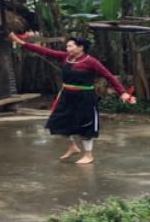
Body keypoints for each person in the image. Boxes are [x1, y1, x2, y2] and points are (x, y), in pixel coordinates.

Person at [9, 32, 137, 164]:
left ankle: (88, 155)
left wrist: (123, 93)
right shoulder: (66, 57)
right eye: (67, 46)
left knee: (86, 126)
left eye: (70, 46)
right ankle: (72, 147)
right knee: (58, 122)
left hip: (85, 97)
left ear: (80, 47)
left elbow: (109, 76)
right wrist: (22, 42)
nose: (67, 49)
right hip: (67, 95)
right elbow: (45, 51)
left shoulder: (91, 61)